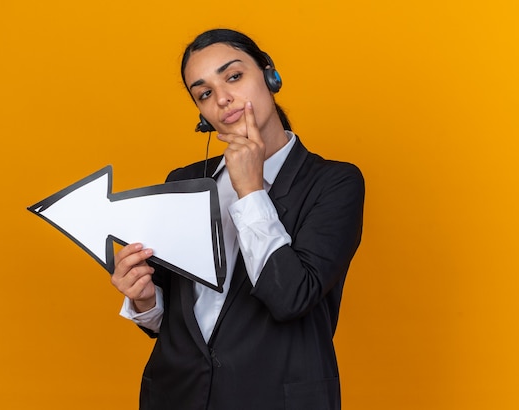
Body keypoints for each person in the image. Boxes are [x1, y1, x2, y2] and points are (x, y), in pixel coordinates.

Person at [111, 28, 364, 410]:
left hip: (276, 398)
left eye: (233, 76)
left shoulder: (335, 182)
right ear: (202, 114)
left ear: (268, 74)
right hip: (176, 395)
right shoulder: (185, 182)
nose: (223, 98)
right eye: (205, 93)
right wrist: (145, 300)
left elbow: (292, 297)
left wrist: (250, 191)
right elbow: (180, 321)